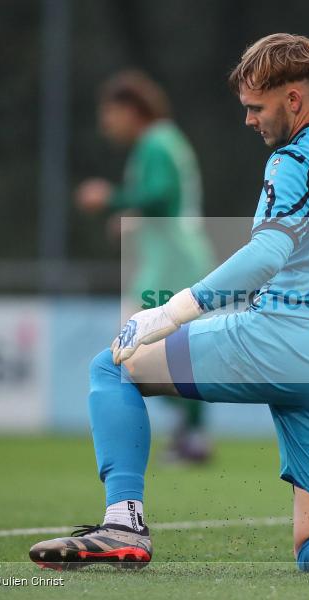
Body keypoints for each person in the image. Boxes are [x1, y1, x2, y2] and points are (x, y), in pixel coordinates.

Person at [30, 33, 309, 580]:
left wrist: (171, 311)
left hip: (286, 343)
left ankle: (124, 522)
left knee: (111, 366)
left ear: (293, 100)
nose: (249, 120)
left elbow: (266, 255)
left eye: (256, 107)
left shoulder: (294, 159)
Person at [75, 70, 216, 463]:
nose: (107, 124)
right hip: (177, 257)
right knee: (174, 355)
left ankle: (181, 436)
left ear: (132, 110)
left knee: (131, 350)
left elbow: (160, 194)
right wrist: (134, 216)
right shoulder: (166, 140)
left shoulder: (155, 142)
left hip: (170, 263)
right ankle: (192, 434)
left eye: (111, 113)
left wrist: (111, 199)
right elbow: (165, 200)